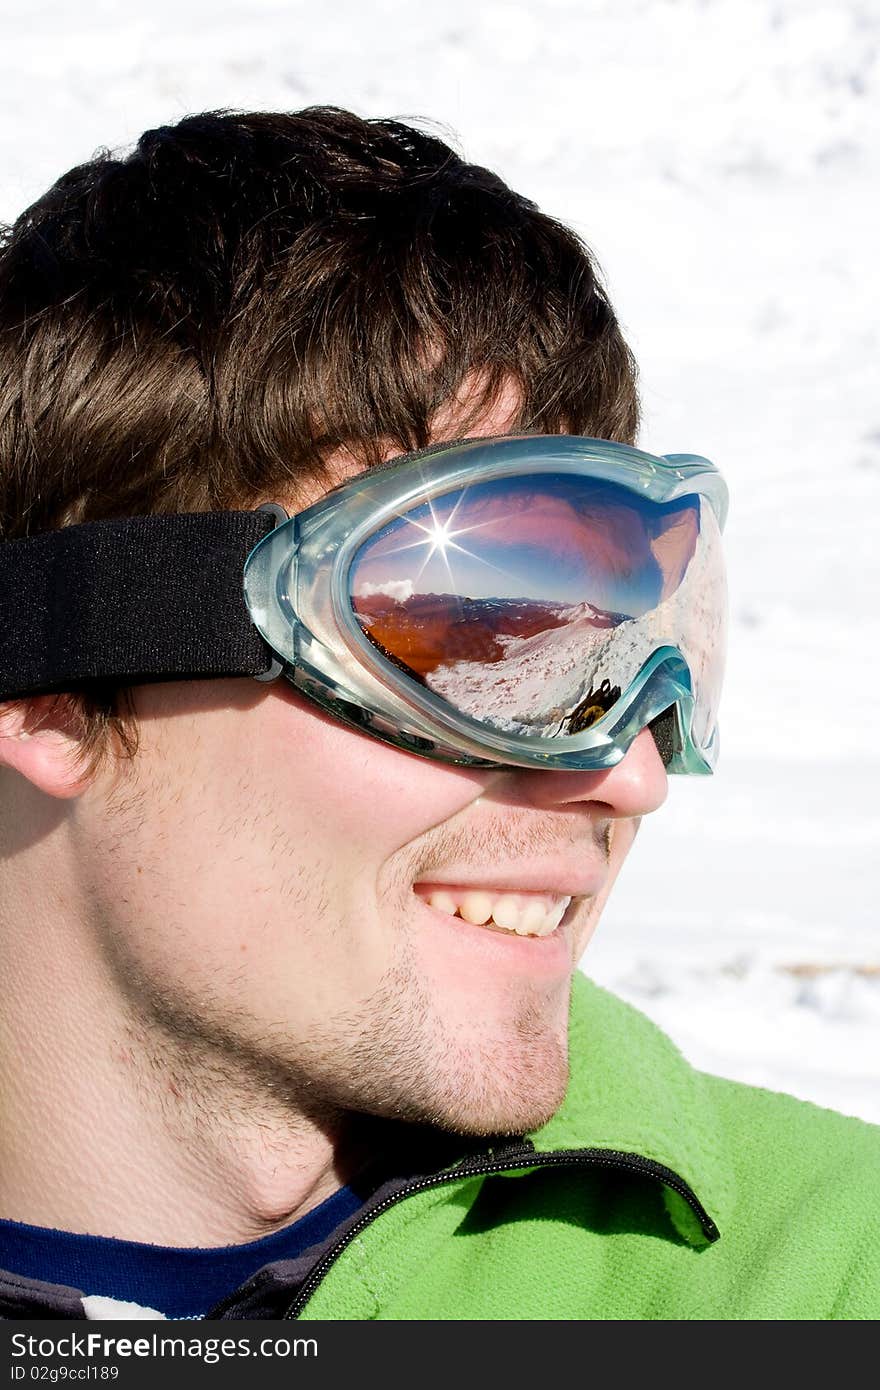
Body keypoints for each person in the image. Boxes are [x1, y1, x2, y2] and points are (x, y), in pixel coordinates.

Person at [0, 108, 876, 1324]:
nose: (628, 775)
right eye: (474, 636)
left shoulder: (822, 1275)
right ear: (54, 690)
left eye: (628, 638)